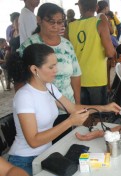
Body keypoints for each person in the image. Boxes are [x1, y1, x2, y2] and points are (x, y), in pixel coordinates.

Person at [6, 44, 121, 176]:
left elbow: (72, 108)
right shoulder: (24, 96)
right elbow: (34, 141)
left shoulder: (49, 87)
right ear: (34, 69)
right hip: (25, 160)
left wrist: (103, 107)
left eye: (56, 65)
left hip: (46, 154)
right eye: (51, 67)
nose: (56, 70)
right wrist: (69, 122)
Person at [19, 3, 82, 141]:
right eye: (51, 21)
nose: (56, 26)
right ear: (39, 20)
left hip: (66, 106)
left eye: (60, 22)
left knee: (63, 145)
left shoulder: (67, 45)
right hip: (41, 112)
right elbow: (19, 79)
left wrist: (76, 105)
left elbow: (75, 75)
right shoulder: (29, 46)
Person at [68, 0, 115, 105]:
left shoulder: (70, 27)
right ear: (96, 7)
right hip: (96, 78)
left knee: (83, 113)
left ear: (80, 7)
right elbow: (110, 53)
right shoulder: (100, 24)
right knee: (97, 114)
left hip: (76, 79)